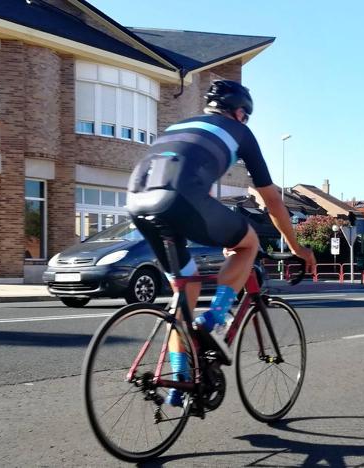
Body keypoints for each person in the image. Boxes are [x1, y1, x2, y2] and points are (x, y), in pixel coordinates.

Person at [126, 80, 316, 406]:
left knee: (184, 291)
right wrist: (296, 247)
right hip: (180, 198)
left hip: (137, 200)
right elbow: (272, 201)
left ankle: (178, 383)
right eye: (247, 116)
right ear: (240, 112)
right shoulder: (239, 132)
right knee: (248, 243)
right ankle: (212, 318)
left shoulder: (180, 125)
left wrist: (222, 230)